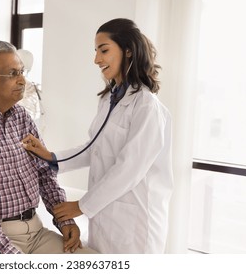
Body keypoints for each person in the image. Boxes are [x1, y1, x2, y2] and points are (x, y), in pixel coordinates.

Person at [22, 18, 174, 254]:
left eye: (104, 50)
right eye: (96, 51)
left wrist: (82, 206)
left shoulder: (146, 106)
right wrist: (49, 156)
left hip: (136, 221)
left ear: (128, 51)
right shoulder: (108, 99)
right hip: (107, 216)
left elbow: (130, 168)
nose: (96, 59)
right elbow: (94, 149)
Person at [0, 39, 96, 254]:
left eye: (22, 72)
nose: (22, 80)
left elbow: (44, 174)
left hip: (35, 232)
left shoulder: (22, 117)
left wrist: (66, 221)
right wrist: (7, 255)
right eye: (12, 74)